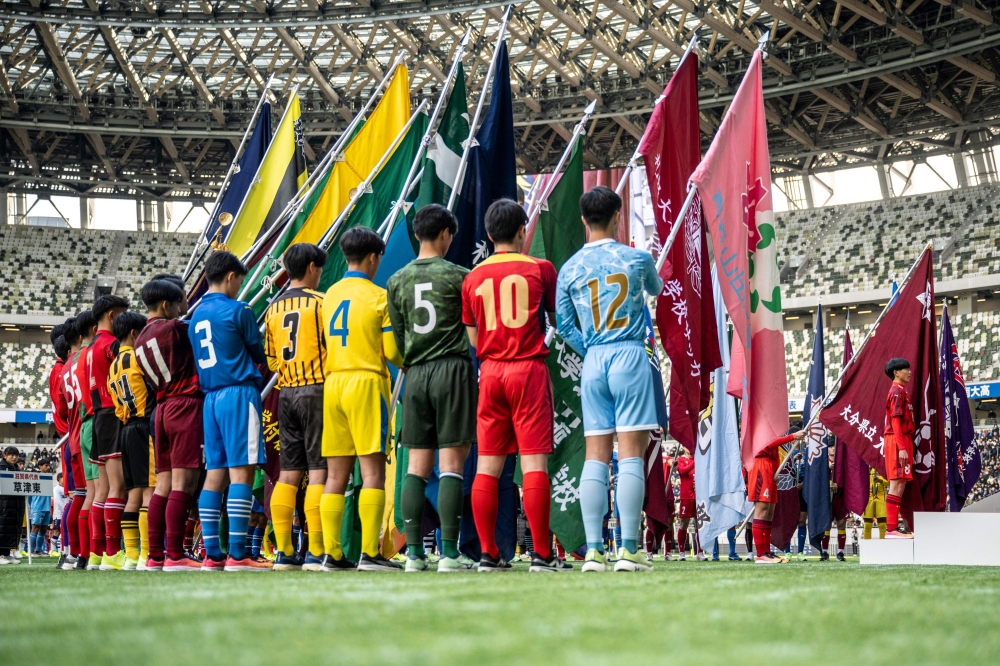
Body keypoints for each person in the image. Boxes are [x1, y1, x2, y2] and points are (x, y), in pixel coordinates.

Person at [555, 186, 663, 573]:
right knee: (631, 451)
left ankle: (595, 552)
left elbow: (565, 325)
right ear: (617, 216)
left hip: (594, 358)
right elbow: (656, 288)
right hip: (630, 353)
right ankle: (629, 551)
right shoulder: (635, 258)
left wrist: (592, 348)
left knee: (596, 455)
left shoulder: (569, 269)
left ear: (584, 221)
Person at [463, 199, 562, 573]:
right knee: (534, 462)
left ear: (489, 235)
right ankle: (541, 554)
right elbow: (556, 319)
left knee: (487, 466)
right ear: (523, 230)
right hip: (528, 369)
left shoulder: (472, 277)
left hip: (490, 373)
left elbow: (473, 338)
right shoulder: (541, 268)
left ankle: (488, 554)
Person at [387, 204, 477, 573]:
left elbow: (398, 334)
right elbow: (473, 333)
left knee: (417, 467)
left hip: (416, 373)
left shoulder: (396, 280)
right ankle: (450, 554)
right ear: (445, 235)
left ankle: (413, 556)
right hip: (452, 370)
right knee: (452, 465)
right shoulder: (460, 276)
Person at [320, 227, 403, 572]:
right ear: (373, 258)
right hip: (366, 383)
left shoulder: (330, 296)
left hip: (334, 383)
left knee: (335, 476)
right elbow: (392, 352)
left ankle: (332, 554)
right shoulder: (379, 296)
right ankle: (371, 553)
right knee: (372, 473)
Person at [188, 251, 272, 571]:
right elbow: (259, 352)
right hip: (239, 394)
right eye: (239, 280)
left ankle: (212, 554)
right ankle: (239, 554)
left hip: (211, 399)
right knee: (242, 473)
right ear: (231, 277)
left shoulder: (195, 317)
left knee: (214, 477)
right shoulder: (240, 310)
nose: (239, 285)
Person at [263, 242, 329, 572]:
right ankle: (316, 551)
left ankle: (284, 552)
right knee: (319, 471)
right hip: (316, 389)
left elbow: (272, 357)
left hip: (286, 392)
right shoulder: (322, 302)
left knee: (288, 474)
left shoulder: (274, 308)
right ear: (314, 268)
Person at [135, 278, 204, 571]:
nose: (183, 308)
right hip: (184, 404)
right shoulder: (176, 328)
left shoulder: (138, 339)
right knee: (183, 484)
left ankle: (155, 555)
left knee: (162, 484)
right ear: (166, 305)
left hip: (161, 409)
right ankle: (176, 553)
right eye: (180, 303)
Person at [108, 311, 155, 570]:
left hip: (125, 428)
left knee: (133, 494)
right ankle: (147, 555)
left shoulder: (113, 364)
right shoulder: (139, 357)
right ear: (136, 334)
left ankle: (132, 556)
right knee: (149, 491)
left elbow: (117, 407)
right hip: (143, 425)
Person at [88, 294, 130, 570]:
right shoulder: (111, 345)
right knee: (118, 487)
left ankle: (97, 553)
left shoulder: (89, 348)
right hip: (112, 413)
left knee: (102, 489)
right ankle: (113, 552)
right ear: (114, 316)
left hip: (95, 418)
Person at [748, 427, 806, 564]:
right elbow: (766, 444)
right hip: (761, 466)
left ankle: (766, 552)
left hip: (770, 468)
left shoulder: (771, 424)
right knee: (761, 510)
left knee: (769, 512)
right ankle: (761, 553)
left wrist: (774, 470)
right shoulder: (760, 423)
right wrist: (792, 436)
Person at [73, 309, 102, 569]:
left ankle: (85, 554)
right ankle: (98, 552)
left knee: (91, 493)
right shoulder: (93, 352)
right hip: (96, 421)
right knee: (104, 491)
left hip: (83, 425)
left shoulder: (75, 358)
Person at [883, 358, 915, 538]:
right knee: (896, 482)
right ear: (896, 372)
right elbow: (895, 420)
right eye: (906, 369)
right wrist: (901, 447)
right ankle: (891, 529)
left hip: (903, 439)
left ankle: (893, 528)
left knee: (901, 483)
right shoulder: (895, 391)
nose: (909, 372)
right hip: (897, 440)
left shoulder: (902, 391)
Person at [670, 447, 705, 561]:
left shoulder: (699, 459)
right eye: (686, 446)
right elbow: (682, 471)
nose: (689, 448)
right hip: (686, 496)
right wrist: (695, 462)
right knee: (684, 523)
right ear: (684, 448)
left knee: (699, 524)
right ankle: (681, 552)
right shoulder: (680, 459)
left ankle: (700, 552)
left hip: (699, 496)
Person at [0, 447, 25, 564]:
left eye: (16, 455)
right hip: (3, 504)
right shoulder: (1, 468)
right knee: (3, 527)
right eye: (11, 455)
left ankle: (7, 553)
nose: (14, 457)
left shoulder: (17, 469)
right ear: (4, 455)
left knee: (12, 528)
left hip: (15, 504)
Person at [29, 459, 53, 555]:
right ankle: (30, 551)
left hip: (46, 507)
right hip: (37, 507)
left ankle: (38, 550)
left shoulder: (49, 478)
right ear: (40, 466)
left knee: (43, 528)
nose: (48, 467)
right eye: (46, 465)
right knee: (35, 528)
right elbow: (30, 495)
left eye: (48, 465)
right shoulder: (35, 478)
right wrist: (33, 505)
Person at [863, 467, 888, 539]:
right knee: (867, 524)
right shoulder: (865, 466)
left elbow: (890, 483)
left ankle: (883, 545)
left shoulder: (883, 467)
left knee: (882, 524)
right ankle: (867, 547)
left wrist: (881, 481)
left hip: (881, 497)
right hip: (868, 497)